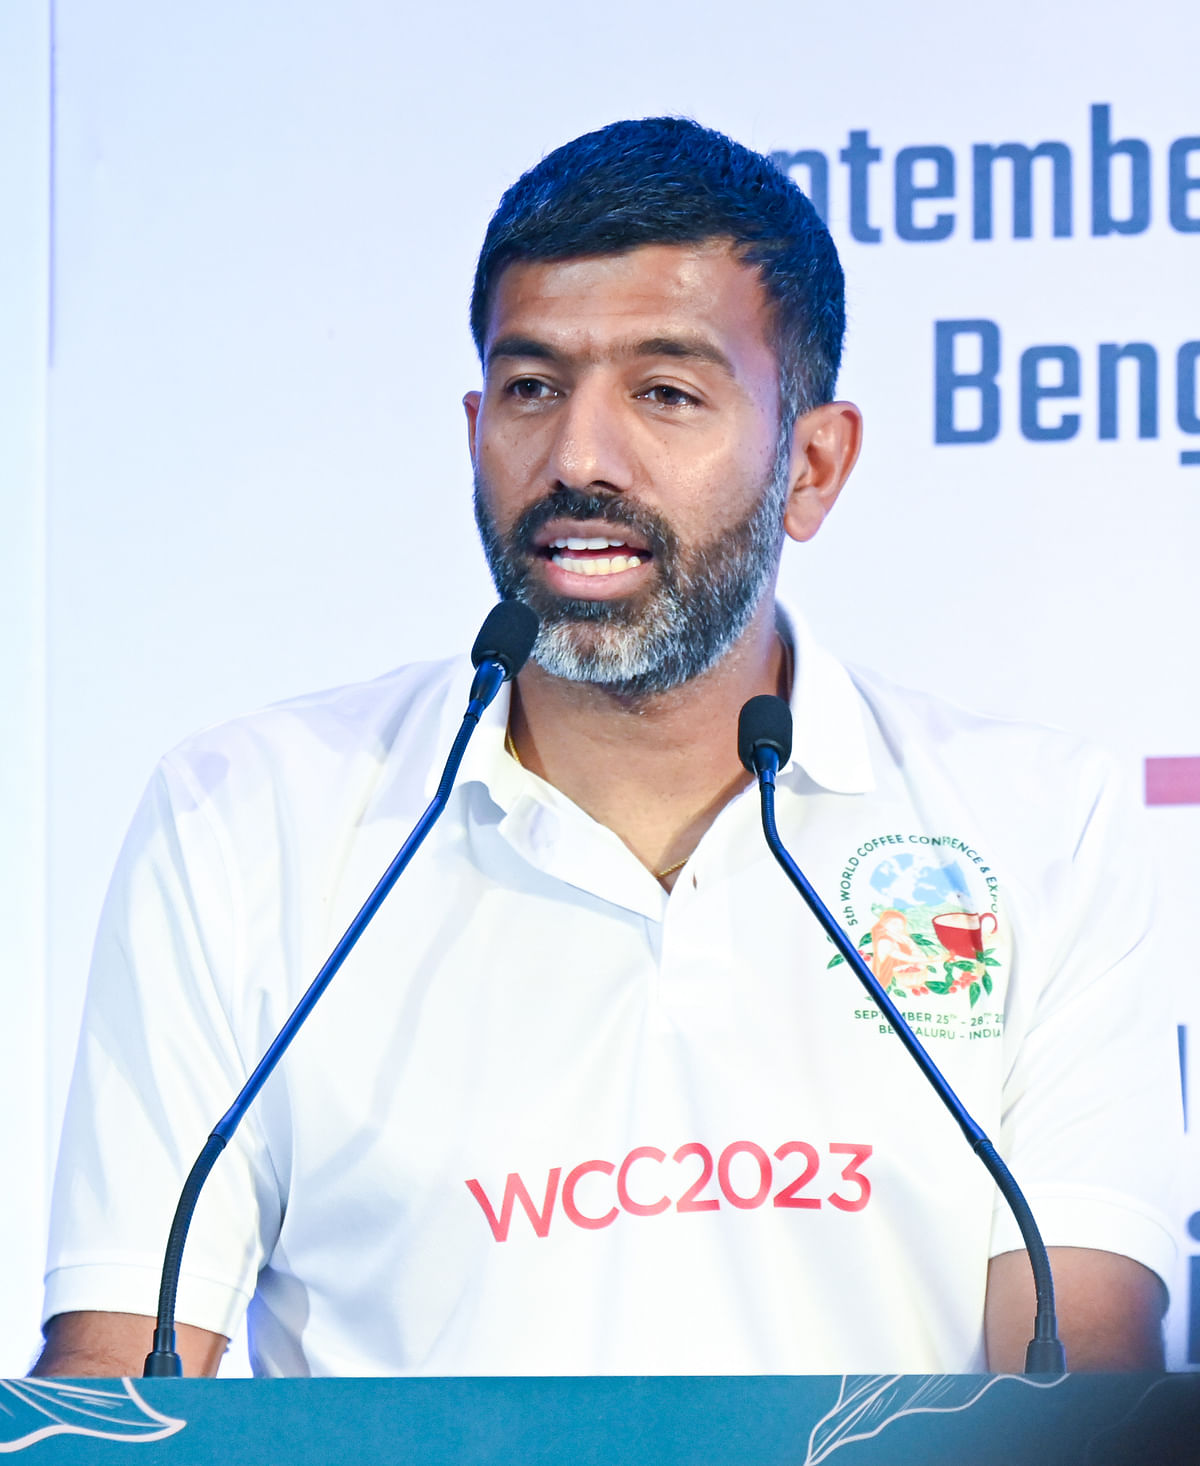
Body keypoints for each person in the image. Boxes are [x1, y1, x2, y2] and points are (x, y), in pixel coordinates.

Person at [35, 117, 1177, 1378]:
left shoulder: (1033, 825)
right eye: (533, 388)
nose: (579, 457)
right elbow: (122, 1390)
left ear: (812, 463)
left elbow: (1082, 1385)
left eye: (666, 393)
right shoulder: (248, 823)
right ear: (476, 426)